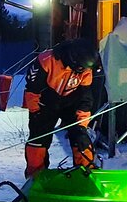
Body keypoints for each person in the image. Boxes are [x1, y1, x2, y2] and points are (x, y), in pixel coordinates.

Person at [22, 37, 99, 178]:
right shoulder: (47, 60)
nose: (83, 71)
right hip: (45, 103)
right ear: (73, 59)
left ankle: (87, 172)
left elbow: (85, 99)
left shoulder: (86, 68)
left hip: (71, 102)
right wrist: (35, 113)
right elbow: (32, 90)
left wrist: (81, 124)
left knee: (80, 137)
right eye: (81, 68)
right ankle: (35, 176)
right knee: (38, 140)